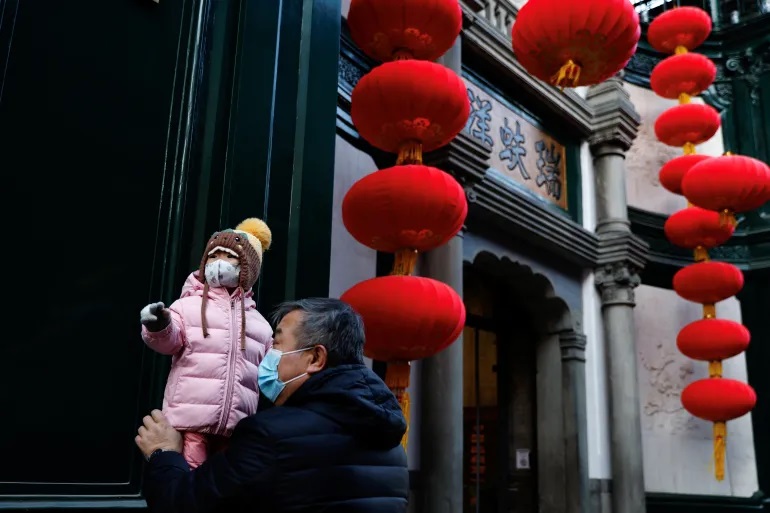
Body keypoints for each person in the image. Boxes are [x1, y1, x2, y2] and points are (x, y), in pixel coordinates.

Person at [135, 297, 409, 513]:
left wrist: (163, 453)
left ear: (315, 358)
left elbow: (183, 504)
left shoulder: (270, 435)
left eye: (276, 344)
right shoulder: (391, 446)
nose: (267, 357)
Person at [139, 218, 274, 468]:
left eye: (229, 256)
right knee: (190, 476)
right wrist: (159, 325)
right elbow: (169, 342)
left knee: (226, 481)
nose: (219, 262)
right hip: (189, 421)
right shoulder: (186, 306)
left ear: (249, 268)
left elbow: (272, 372)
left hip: (236, 426)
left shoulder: (260, 324)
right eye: (213, 256)